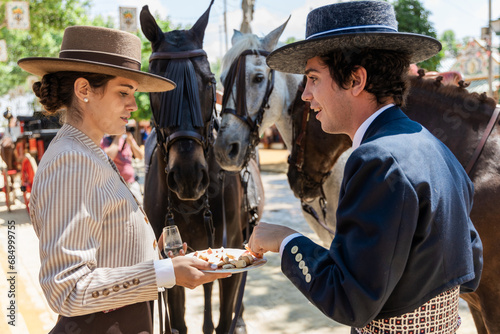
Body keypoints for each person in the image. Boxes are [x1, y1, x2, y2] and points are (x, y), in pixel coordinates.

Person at [248, 1, 483, 333]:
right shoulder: (434, 146)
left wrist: (286, 241)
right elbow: (469, 267)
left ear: (356, 79)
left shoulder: (376, 160)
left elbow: (348, 300)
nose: (306, 94)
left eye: (313, 78)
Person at [18, 25, 230, 334]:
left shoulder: (87, 152)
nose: (133, 105)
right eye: (123, 92)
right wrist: (165, 273)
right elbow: (67, 289)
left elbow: (105, 247)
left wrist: (158, 253)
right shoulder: (71, 161)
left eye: (133, 94)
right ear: (84, 90)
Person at [101, 119, 144, 203]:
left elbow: (140, 156)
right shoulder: (106, 140)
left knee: (140, 209)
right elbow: (110, 156)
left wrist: (131, 141)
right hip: (115, 185)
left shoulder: (127, 140)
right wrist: (118, 137)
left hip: (131, 183)